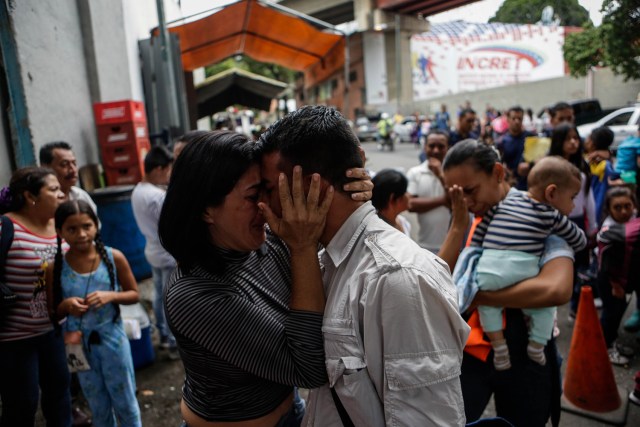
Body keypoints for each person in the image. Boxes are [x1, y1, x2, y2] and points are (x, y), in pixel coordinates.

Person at [258, 105, 470, 426]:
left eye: (269, 189)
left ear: (310, 188)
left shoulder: (397, 279)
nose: (262, 205)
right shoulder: (321, 258)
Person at [158, 130, 372, 426]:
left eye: (266, 190)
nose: (266, 206)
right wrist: (302, 247)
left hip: (292, 412)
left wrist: (346, 187)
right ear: (207, 209)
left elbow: (337, 238)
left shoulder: (268, 241)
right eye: (251, 196)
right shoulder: (193, 294)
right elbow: (309, 371)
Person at [442, 139, 576, 427]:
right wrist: (456, 226)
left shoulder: (538, 216)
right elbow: (435, 282)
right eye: (455, 193)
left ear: (498, 173)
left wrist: (476, 296)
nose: (464, 201)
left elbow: (555, 289)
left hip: (526, 351)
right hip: (471, 352)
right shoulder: (470, 220)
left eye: (470, 190)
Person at [469, 156, 586, 371]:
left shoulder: (505, 203)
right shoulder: (552, 215)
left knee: (489, 306)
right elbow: (580, 240)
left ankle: (499, 346)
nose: (573, 205)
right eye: (573, 197)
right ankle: (537, 345)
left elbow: (480, 231)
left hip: (488, 269)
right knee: (544, 310)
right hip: (523, 271)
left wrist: (474, 252)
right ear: (551, 193)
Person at [48, 200, 142, 427]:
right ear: (59, 231)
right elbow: (53, 310)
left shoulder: (113, 257)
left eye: (87, 226)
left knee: (126, 401)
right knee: (97, 403)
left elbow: (134, 294)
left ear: (96, 226)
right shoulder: (55, 267)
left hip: (112, 337)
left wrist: (111, 296)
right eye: (72, 229)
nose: (81, 234)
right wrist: (67, 305)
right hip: (78, 345)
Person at [0, 166, 71, 427]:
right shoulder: (6, 226)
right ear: (31, 196)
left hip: (53, 330)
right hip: (14, 338)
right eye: (53, 189)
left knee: (60, 395)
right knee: (22, 403)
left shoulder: (61, 225)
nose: (61, 194)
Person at [131, 146, 178, 356]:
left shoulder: (137, 190)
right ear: (159, 169)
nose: (169, 174)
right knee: (169, 298)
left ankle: (163, 335)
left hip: (152, 250)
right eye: (168, 170)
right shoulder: (157, 196)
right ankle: (171, 340)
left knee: (159, 295)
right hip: (166, 253)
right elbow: (170, 224)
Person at [548, 123, 597, 319]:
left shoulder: (582, 165)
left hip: (578, 221)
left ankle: (577, 306)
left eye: (576, 138)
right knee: (558, 264)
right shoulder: (550, 166)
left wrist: (592, 225)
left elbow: (588, 196)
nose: (574, 142)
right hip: (556, 223)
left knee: (581, 267)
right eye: (568, 138)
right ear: (559, 141)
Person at [597, 186, 638, 365]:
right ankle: (606, 349)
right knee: (611, 314)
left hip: (626, 277)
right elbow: (607, 265)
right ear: (609, 209)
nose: (624, 212)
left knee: (619, 312)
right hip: (611, 282)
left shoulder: (634, 218)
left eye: (627, 206)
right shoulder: (610, 232)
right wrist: (616, 286)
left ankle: (612, 342)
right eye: (618, 207)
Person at [407, 130, 452, 253]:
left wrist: (441, 175)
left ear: (448, 148)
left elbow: (455, 204)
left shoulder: (454, 173)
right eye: (431, 146)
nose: (436, 151)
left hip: (453, 246)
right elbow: (410, 204)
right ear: (425, 148)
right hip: (425, 246)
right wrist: (443, 200)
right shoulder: (415, 173)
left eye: (441, 146)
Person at [40, 141, 98, 214]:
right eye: (64, 164)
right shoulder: (41, 202)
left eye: (74, 163)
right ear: (45, 168)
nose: (73, 170)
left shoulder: (80, 196)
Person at [584, 126, 621, 223]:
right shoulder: (591, 159)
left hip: (595, 212)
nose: (586, 140)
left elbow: (600, 195)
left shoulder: (604, 166)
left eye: (589, 137)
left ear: (593, 143)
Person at [496, 106, 534, 190]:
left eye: (519, 119)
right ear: (508, 119)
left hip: (531, 182)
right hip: (512, 184)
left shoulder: (531, 137)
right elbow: (499, 163)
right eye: (514, 118)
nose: (517, 121)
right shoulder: (502, 141)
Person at [371, 169, 411, 236]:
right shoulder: (380, 233)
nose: (409, 194)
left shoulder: (403, 222)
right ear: (392, 198)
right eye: (405, 192)